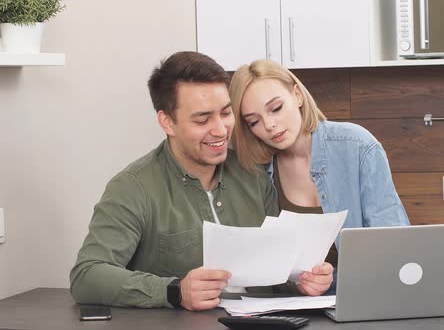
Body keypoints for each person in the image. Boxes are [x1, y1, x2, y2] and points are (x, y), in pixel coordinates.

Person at [70, 52, 334, 311]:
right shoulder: (132, 187)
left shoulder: (253, 175)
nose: (220, 130)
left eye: (226, 113)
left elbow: (277, 271)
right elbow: (87, 276)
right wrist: (174, 291)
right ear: (167, 122)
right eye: (202, 119)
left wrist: (303, 281)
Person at [228, 60, 410, 274]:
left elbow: (393, 240)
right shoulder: (254, 170)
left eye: (276, 108)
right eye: (254, 121)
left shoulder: (357, 145)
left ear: (297, 95)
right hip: (292, 299)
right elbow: (260, 259)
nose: (269, 125)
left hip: (363, 287)